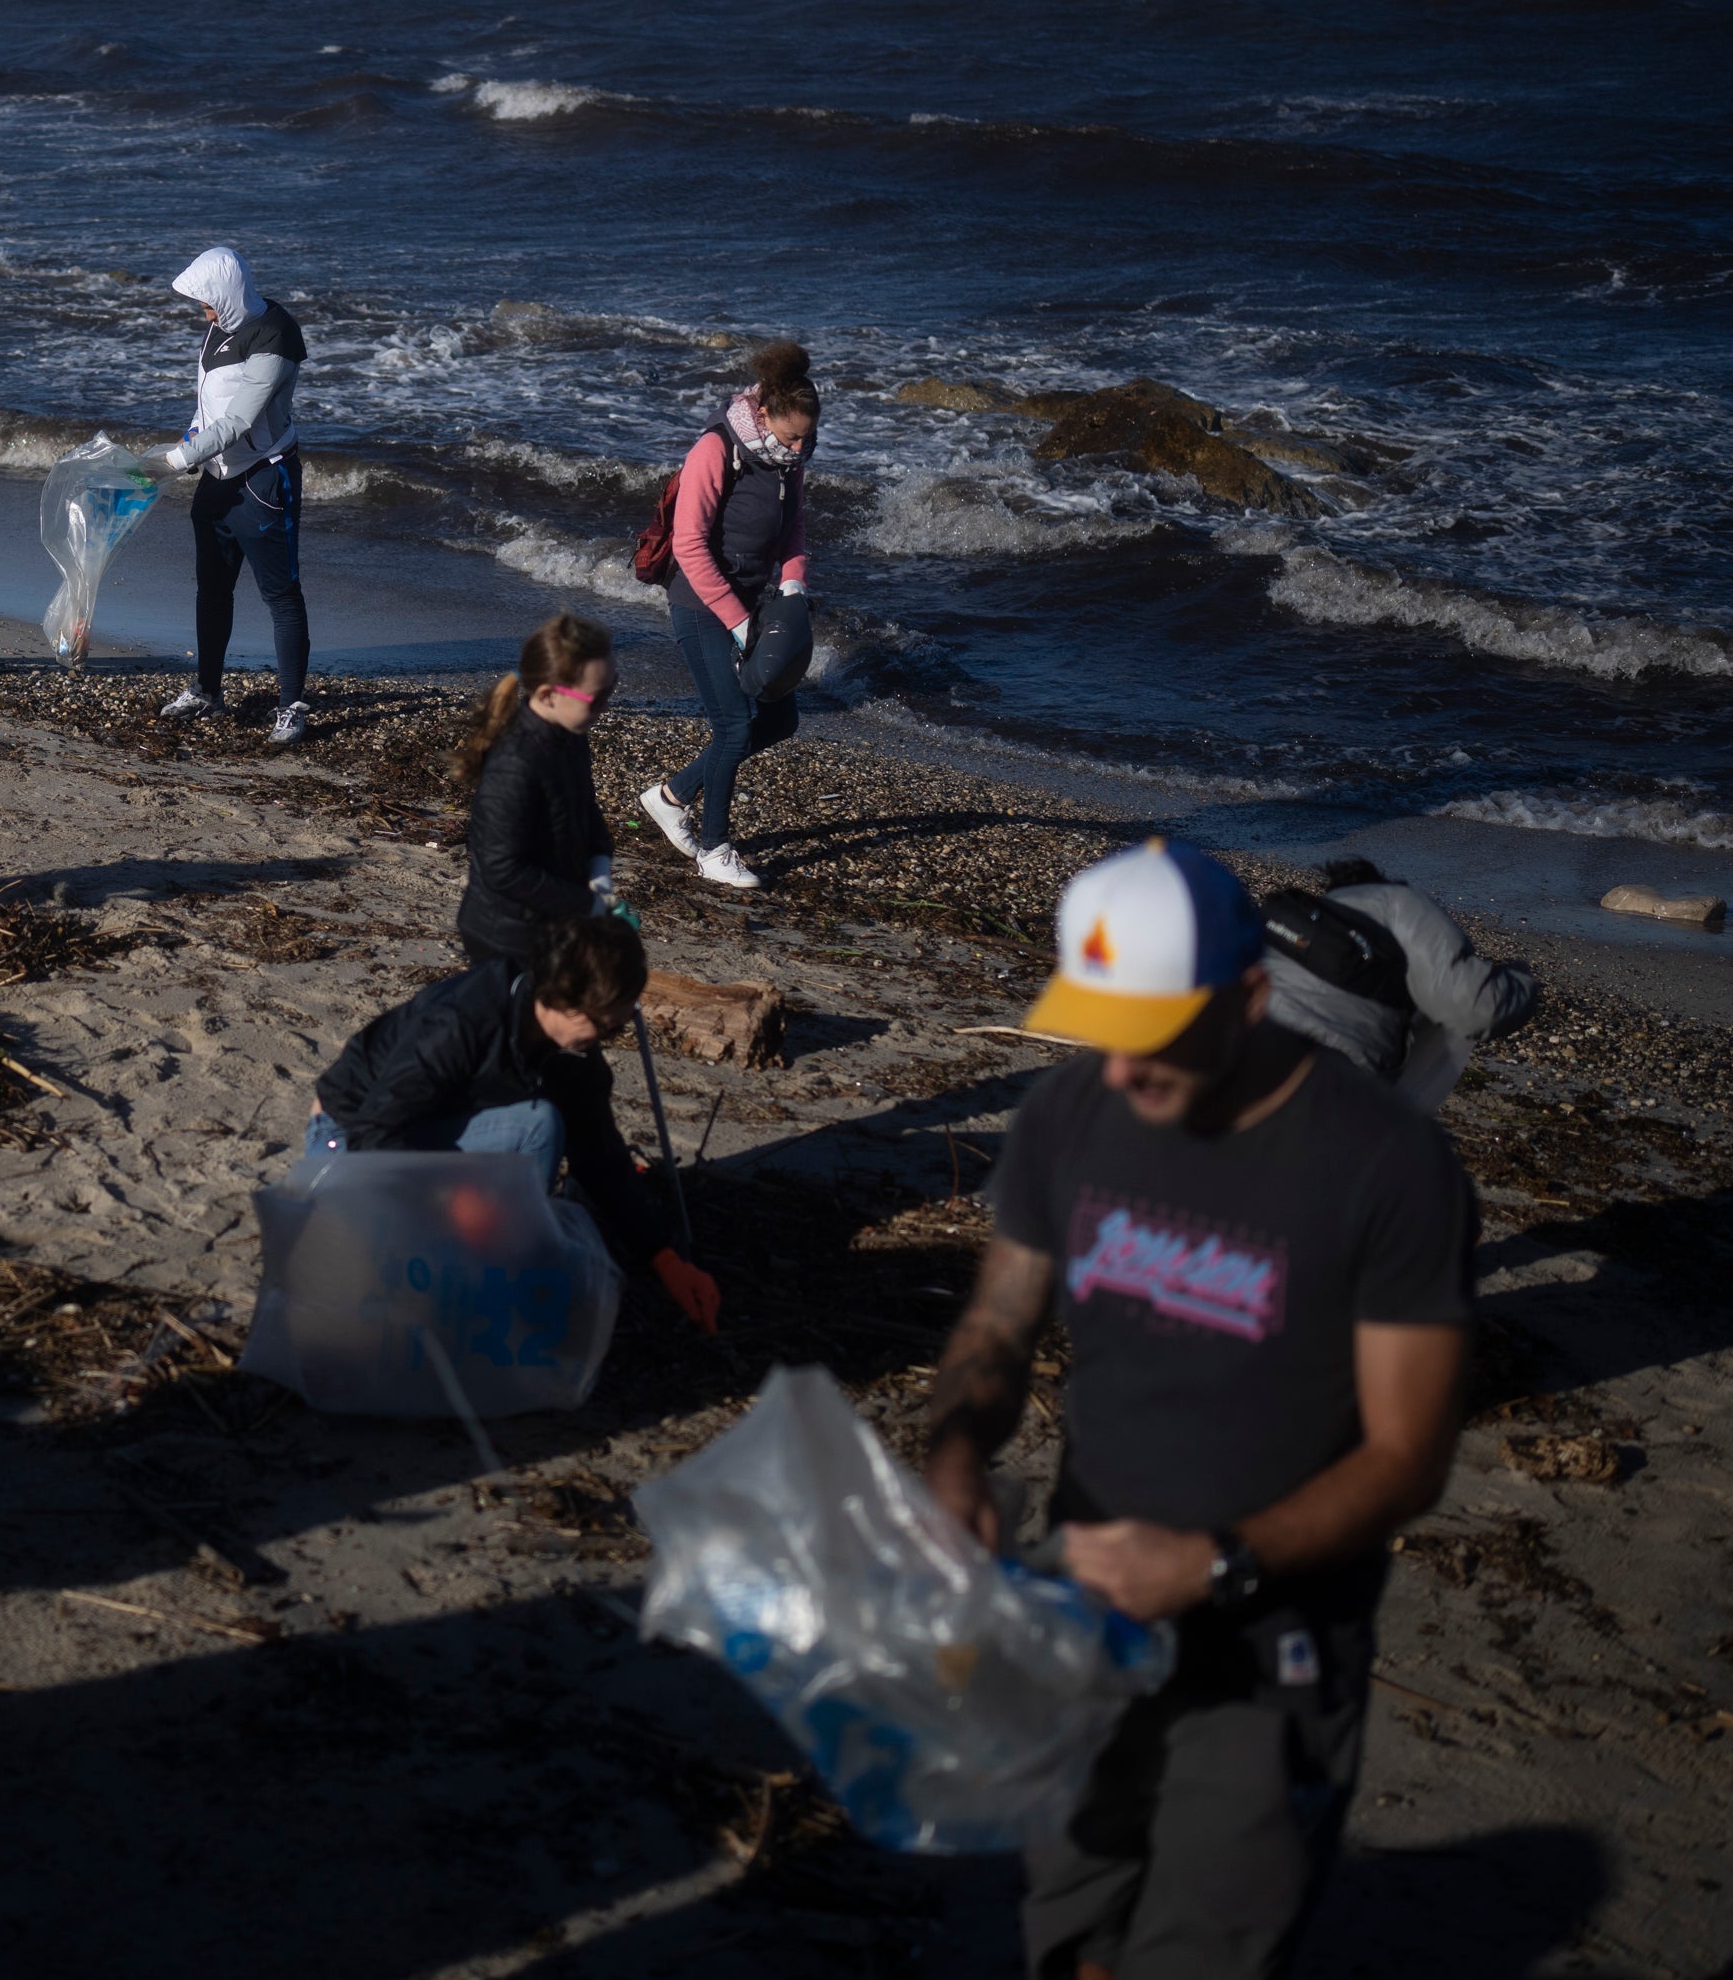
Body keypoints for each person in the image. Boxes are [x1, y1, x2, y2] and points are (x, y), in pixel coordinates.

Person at [921, 839, 1474, 1980]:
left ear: (1252, 998)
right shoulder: (1071, 1113)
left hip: (1270, 1639)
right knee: (1071, 1905)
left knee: (1209, 1939)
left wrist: (1215, 1564)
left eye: (1156, 1034)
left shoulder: (1388, 1166)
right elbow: (997, 1326)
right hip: (1081, 1599)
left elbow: (1409, 1455)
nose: (1123, 1071)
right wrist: (957, 1456)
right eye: (1102, 1026)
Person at [307, 913, 721, 1333]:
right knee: (532, 1133)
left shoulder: (573, 1053)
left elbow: (600, 1155)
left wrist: (664, 1257)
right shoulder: (464, 1020)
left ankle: (495, 1267)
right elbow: (374, 1132)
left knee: (541, 1124)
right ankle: (460, 1270)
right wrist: (450, 1200)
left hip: (438, 1129)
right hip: (349, 1134)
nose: (605, 1037)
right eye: (601, 1025)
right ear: (562, 998)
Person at [633, 339, 819, 892]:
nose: (800, 447)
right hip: (699, 604)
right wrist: (739, 623)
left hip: (753, 602)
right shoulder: (716, 449)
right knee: (734, 727)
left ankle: (668, 798)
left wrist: (792, 584)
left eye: (808, 437)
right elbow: (689, 545)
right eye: (792, 436)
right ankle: (714, 849)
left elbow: (793, 529)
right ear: (764, 415)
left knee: (781, 719)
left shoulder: (791, 455)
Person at [149, 244, 312, 743]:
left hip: (263, 481)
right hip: (215, 481)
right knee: (212, 588)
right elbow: (207, 406)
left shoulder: (275, 336)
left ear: (229, 292)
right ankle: (207, 690)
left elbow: (240, 420)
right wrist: (184, 444)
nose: (203, 310)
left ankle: (291, 706)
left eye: (207, 300)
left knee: (280, 594)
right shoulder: (218, 329)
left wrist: (177, 461)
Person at [1258, 859, 1539, 1118]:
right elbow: (1476, 1007)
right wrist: (1523, 980)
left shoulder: (1302, 918)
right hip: (1330, 1088)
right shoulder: (1399, 902)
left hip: (1245, 1067)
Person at [454, 612, 615, 972]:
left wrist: (600, 863)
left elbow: (584, 807)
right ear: (548, 694)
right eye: (597, 697)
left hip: (552, 917)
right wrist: (585, 904)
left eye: (612, 688)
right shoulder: (515, 764)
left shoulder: (571, 735)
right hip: (506, 934)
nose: (606, 707)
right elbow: (501, 869)